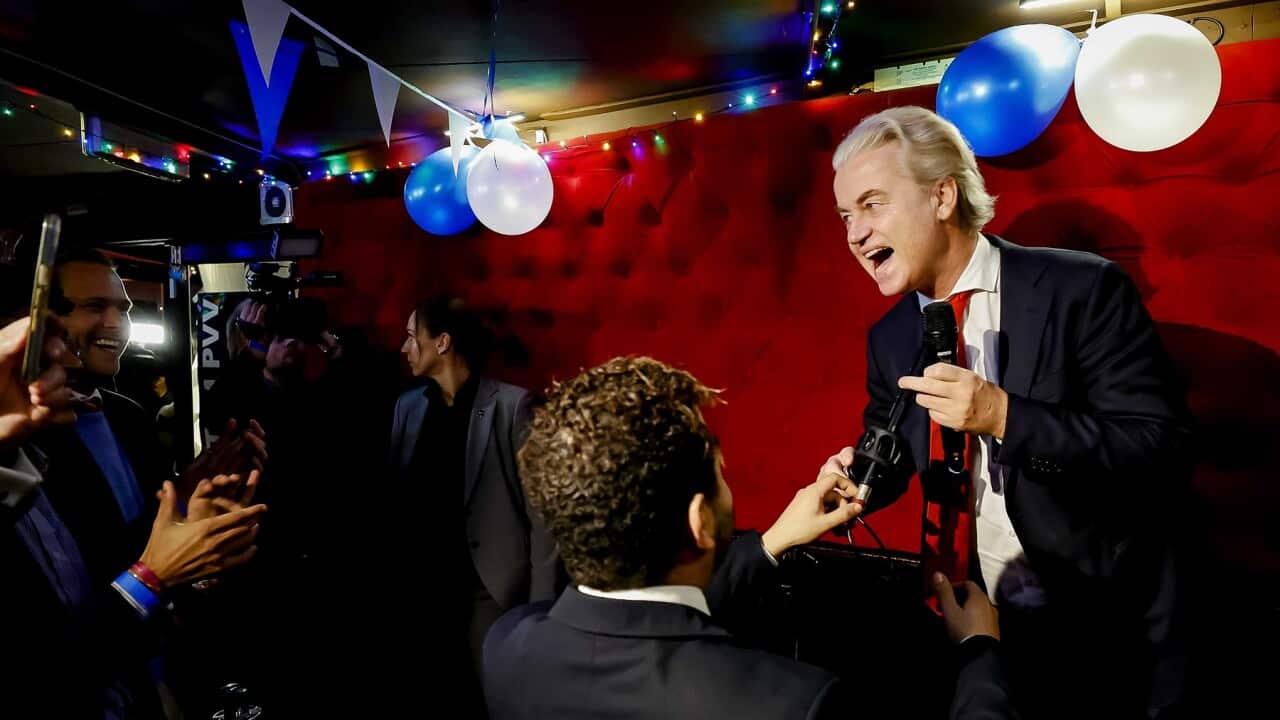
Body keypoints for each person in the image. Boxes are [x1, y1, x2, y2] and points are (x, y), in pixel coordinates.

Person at [825, 106, 1191, 718]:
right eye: (844, 216)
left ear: (942, 196)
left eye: (871, 204)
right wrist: (857, 482)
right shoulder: (889, 337)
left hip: (1098, 627)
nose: (855, 234)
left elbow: (1161, 448)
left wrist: (1001, 415)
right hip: (969, 619)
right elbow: (888, 440)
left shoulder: (1083, 289)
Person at [485, 356, 1015, 720]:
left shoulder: (509, 647)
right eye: (721, 473)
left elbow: (647, 621)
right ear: (699, 520)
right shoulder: (796, 703)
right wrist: (978, 653)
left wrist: (773, 542)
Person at [0, 314, 267, 718]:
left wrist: (185, 512)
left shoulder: (36, 458)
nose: (69, 363)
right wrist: (152, 578)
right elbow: (42, 673)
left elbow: (99, 568)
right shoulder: (42, 447)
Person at [388, 297, 559, 715]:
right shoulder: (407, 406)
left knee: (495, 701)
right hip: (423, 589)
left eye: (412, 337)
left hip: (492, 590)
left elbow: (542, 514)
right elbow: (395, 498)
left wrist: (540, 606)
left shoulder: (513, 406)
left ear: (442, 342)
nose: (404, 347)